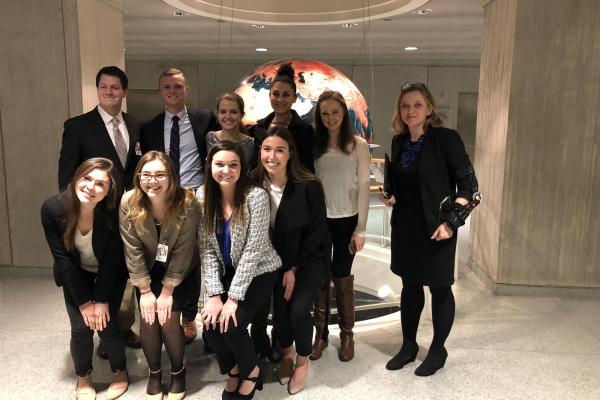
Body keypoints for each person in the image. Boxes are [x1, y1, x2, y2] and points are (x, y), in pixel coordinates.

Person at [380, 83, 479, 376]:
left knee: (439, 288)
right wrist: (391, 195)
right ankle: (409, 346)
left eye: (417, 105)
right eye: (405, 106)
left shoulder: (446, 139)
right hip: (406, 228)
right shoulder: (399, 142)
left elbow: (470, 188)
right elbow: (406, 186)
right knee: (410, 287)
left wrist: (452, 223)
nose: (410, 111)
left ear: (429, 108)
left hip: (438, 228)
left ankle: (438, 350)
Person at [58, 65, 141, 351]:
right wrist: (79, 211)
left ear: (124, 92)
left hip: (128, 214)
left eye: (115, 87)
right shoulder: (78, 126)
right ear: (98, 90)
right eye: (104, 87)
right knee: (94, 267)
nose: (109, 92)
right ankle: (98, 327)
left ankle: (121, 327)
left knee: (124, 272)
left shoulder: (134, 125)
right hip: (93, 213)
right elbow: (67, 176)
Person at [197, 141, 280, 400]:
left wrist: (232, 299)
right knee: (210, 327)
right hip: (228, 271)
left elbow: (253, 251)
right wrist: (213, 295)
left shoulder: (255, 196)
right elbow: (207, 249)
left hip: (260, 269)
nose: (226, 170)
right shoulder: (202, 195)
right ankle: (234, 369)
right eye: (220, 164)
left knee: (232, 326)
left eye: (234, 164)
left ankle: (251, 371)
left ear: (242, 167)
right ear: (210, 166)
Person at [140, 67, 218, 343]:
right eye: (166, 87)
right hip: (162, 196)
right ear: (160, 91)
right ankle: (167, 308)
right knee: (165, 255)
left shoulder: (205, 119)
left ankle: (188, 317)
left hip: (195, 196)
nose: (172, 92)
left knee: (193, 257)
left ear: (187, 89)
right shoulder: (148, 126)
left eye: (177, 87)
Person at [41, 157, 129, 400]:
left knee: (107, 323)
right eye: (87, 178)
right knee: (81, 327)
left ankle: (119, 371)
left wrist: (100, 300)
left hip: (108, 273)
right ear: (77, 177)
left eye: (101, 184)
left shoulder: (113, 212)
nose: (91, 187)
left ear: (109, 191)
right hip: (75, 273)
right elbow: (63, 259)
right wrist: (85, 303)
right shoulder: (53, 209)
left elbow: (112, 262)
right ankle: (84, 376)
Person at [254, 128, 328, 395]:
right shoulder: (253, 183)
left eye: (279, 150)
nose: (272, 156)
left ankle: (302, 361)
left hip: (307, 260)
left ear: (290, 154)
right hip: (273, 262)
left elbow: (317, 232)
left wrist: (293, 267)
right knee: (281, 313)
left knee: (298, 310)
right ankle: (286, 353)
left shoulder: (309, 186)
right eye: (266, 149)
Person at [119, 151, 199, 399]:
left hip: (181, 268)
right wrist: (144, 290)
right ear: (138, 176)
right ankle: (155, 373)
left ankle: (178, 371)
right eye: (147, 175)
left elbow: (185, 251)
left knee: (168, 318)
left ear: (171, 178)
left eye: (160, 175)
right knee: (148, 318)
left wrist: (166, 292)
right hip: (146, 267)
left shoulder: (188, 201)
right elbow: (132, 249)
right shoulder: (128, 201)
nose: (153, 181)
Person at [250, 62, 315, 361]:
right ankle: (265, 344)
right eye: (275, 93)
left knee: (289, 297)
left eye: (285, 94)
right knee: (266, 295)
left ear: (294, 96)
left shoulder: (305, 131)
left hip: (294, 210)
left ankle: (285, 345)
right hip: (267, 211)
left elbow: (307, 173)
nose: (279, 99)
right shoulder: (259, 128)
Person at [311, 90, 371, 362]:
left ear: (344, 113)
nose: (330, 118)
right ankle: (320, 335)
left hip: (347, 220)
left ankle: (347, 335)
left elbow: (363, 186)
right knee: (321, 277)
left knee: (342, 275)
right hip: (321, 220)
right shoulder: (314, 144)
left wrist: (361, 228)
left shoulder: (358, 144)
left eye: (335, 112)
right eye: (325, 113)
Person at [206, 92, 256, 171]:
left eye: (233, 112)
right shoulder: (210, 138)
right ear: (217, 114)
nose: (228, 116)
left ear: (241, 115)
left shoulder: (251, 144)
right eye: (223, 112)